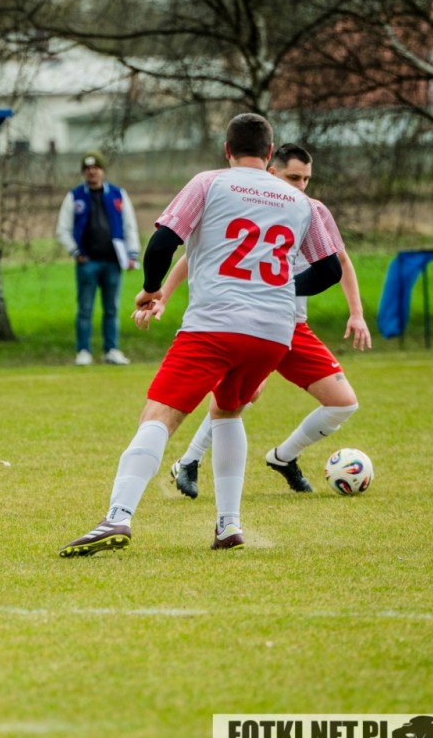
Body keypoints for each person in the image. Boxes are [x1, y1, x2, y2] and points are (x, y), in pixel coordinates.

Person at [58, 114, 342, 557]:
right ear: (269, 153)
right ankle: (229, 525)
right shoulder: (301, 201)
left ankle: (118, 516)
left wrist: (151, 289)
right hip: (273, 333)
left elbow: (163, 242)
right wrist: (281, 288)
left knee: (158, 416)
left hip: (214, 325)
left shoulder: (209, 183)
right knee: (228, 411)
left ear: (227, 150)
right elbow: (329, 270)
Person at [159, 144, 371, 497]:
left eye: (306, 179)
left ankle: (283, 457)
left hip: (292, 326)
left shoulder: (312, 210)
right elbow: (190, 257)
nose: (301, 186)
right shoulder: (248, 205)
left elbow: (340, 263)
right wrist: (163, 296)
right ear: (272, 172)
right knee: (239, 396)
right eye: (293, 177)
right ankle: (190, 462)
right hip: (250, 320)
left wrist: (357, 314)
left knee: (343, 402)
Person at [55, 150, 141, 366]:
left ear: (102, 170)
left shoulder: (118, 194)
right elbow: (62, 229)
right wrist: (75, 252)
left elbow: (129, 225)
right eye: (87, 169)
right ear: (83, 172)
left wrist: (132, 253)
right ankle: (83, 350)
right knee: (85, 308)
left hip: (113, 261)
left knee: (111, 308)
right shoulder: (75, 197)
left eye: (95, 168)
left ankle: (111, 349)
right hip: (88, 262)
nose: (92, 172)